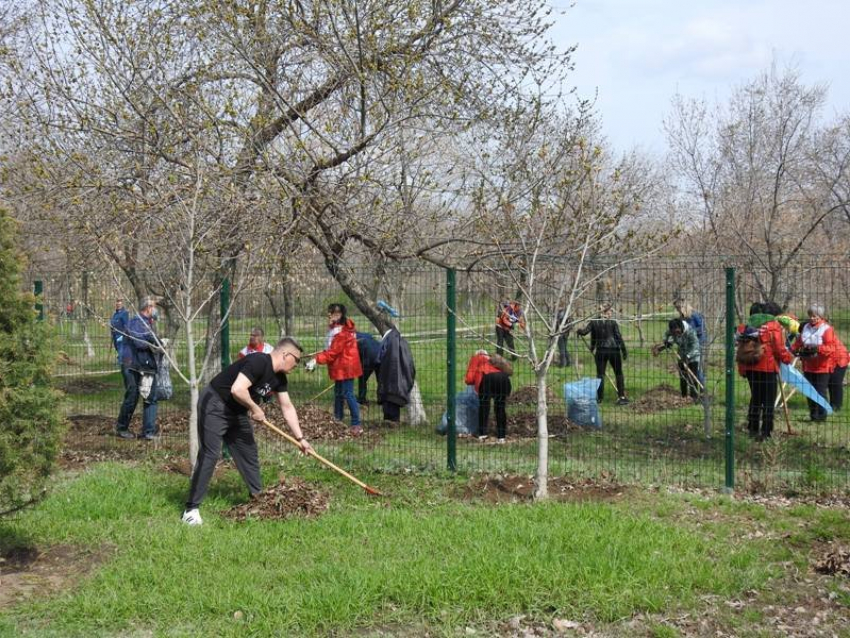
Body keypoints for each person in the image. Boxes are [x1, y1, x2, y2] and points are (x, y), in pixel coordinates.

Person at [182, 337, 311, 526]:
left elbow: (287, 407)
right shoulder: (258, 361)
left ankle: (258, 498)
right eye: (297, 360)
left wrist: (301, 438)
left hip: (238, 412)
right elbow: (237, 389)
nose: (297, 365)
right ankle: (190, 510)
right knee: (211, 454)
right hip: (216, 404)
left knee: (249, 452)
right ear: (286, 354)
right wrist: (255, 408)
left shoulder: (279, 378)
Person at [736, 302, 792, 440]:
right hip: (767, 367)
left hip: (750, 367)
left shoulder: (746, 326)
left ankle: (753, 429)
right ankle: (766, 432)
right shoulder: (773, 327)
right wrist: (788, 358)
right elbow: (779, 349)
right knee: (768, 401)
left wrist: (742, 369)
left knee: (756, 398)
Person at [305, 304, 363, 435]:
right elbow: (331, 350)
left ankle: (356, 424)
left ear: (341, 315)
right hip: (340, 366)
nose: (330, 316)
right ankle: (337, 419)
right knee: (338, 392)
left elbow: (332, 353)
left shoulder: (342, 332)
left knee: (348, 393)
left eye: (335, 313)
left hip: (346, 366)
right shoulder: (336, 330)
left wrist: (315, 360)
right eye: (330, 313)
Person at [115, 296, 161, 440]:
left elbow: (149, 341)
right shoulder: (136, 322)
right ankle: (122, 428)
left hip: (144, 365)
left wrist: (158, 342)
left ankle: (148, 432)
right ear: (148, 308)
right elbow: (140, 343)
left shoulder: (147, 323)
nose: (156, 310)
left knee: (150, 397)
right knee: (132, 396)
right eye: (154, 306)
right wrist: (154, 342)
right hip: (131, 365)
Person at [792, 304, 837, 422]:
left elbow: (831, 348)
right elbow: (799, 342)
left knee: (820, 392)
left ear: (821, 316)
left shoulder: (827, 329)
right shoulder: (806, 327)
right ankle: (813, 416)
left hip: (822, 366)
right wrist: (793, 350)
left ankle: (821, 417)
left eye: (815, 316)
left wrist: (817, 349)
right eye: (810, 315)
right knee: (809, 391)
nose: (812, 318)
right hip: (808, 365)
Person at [576, 304, 629, 405]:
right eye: (610, 312)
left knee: (600, 375)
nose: (610, 314)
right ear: (606, 312)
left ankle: (599, 399)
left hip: (601, 351)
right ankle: (621, 396)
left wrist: (579, 331)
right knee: (618, 373)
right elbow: (618, 337)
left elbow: (586, 333)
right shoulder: (613, 322)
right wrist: (624, 350)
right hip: (614, 351)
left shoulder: (594, 322)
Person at [464, 350, 513, 443]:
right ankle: (501, 436)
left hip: (488, 379)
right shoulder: (497, 361)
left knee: (484, 408)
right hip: (503, 379)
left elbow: (469, 379)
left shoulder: (477, 360)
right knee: (500, 408)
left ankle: (482, 434)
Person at [651, 318, 701, 402]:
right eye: (674, 332)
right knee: (683, 376)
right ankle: (684, 396)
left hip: (693, 356)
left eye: (677, 332)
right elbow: (666, 334)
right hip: (681, 356)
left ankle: (694, 397)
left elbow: (696, 348)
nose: (676, 334)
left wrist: (688, 356)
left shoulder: (691, 332)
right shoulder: (672, 331)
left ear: (681, 327)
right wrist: (666, 341)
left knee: (692, 377)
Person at [375, 326, 416, 422]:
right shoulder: (403, 343)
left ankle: (390, 423)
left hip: (387, 388)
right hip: (399, 389)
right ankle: (393, 423)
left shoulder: (387, 342)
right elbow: (411, 367)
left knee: (389, 410)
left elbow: (377, 361)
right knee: (394, 410)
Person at [674, 299, 707, 386]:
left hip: (698, 343)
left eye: (679, 308)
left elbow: (701, 329)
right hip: (687, 344)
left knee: (696, 368)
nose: (678, 310)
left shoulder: (695, 315)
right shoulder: (682, 317)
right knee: (686, 368)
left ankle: (702, 389)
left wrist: (690, 332)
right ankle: (693, 390)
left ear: (684, 307)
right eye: (676, 308)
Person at [355, 331, 382, 405]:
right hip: (380, 354)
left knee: (362, 378)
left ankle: (361, 398)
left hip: (369, 357)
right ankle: (381, 399)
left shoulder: (353, 338)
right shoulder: (365, 334)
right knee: (380, 379)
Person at [829, 332, 848, 411]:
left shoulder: (825, 332)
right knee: (830, 382)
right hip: (830, 359)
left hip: (840, 358)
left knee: (835, 382)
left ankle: (837, 406)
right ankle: (832, 405)